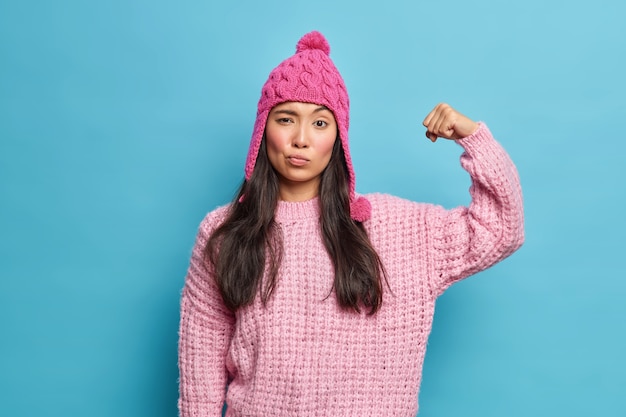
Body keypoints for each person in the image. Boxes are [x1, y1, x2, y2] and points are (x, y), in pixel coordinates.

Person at [178, 31, 524, 417]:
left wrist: (474, 138)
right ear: (263, 129)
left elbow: (502, 228)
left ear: (339, 137)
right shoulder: (224, 232)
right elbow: (200, 372)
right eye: (286, 118)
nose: (301, 139)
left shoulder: (399, 230)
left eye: (320, 123)